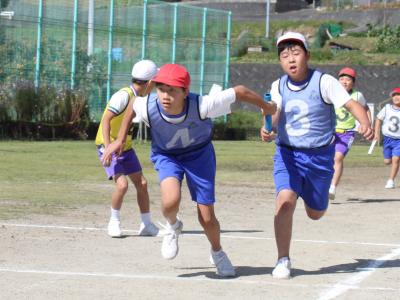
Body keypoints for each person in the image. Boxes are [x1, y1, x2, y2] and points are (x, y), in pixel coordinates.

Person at [103, 63, 276, 277]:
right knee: (170, 202)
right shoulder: (148, 105)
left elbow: (240, 91)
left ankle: (217, 252)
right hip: (167, 156)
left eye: (173, 90)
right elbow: (133, 106)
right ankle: (173, 226)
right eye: (161, 89)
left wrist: (265, 107)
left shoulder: (203, 105)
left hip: (199, 156)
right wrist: (120, 139)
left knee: (207, 217)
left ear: (185, 92)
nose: (165, 96)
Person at [260, 32, 373, 279]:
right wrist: (268, 127)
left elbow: (351, 105)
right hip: (288, 154)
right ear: (280, 61)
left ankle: (315, 199)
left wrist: (364, 122)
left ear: (307, 56)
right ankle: (283, 259)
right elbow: (273, 112)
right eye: (285, 55)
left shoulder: (324, 82)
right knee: (285, 201)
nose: (290, 59)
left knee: (315, 213)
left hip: (320, 158)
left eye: (296, 53)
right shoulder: (277, 86)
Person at [95, 59, 159, 238]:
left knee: (142, 183)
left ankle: (146, 224)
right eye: (155, 82)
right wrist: (108, 147)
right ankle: (113, 222)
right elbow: (106, 119)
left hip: (126, 148)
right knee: (122, 185)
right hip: (107, 146)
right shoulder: (123, 95)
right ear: (149, 82)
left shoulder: (143, 99)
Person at [329, 67, 372, 200]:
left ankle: (332, 187)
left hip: (347, 133)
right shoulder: (331, 93)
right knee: (327, 159)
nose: (344, 82)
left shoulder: (357, 96)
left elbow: (365, 108)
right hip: (330, 132)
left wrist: (367, 124)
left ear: (353, 82)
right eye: (341, 79)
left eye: (348, 79)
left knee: (338, 158)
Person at [373, 87, 400, 189]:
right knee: (387, 161)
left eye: (398, 95)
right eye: (394, 95)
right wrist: (376, 133)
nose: (396, 97)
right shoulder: (387, 108)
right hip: (387, 139)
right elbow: (378, 119)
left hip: (399, 140)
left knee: (396, 159)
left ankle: (391, 180)